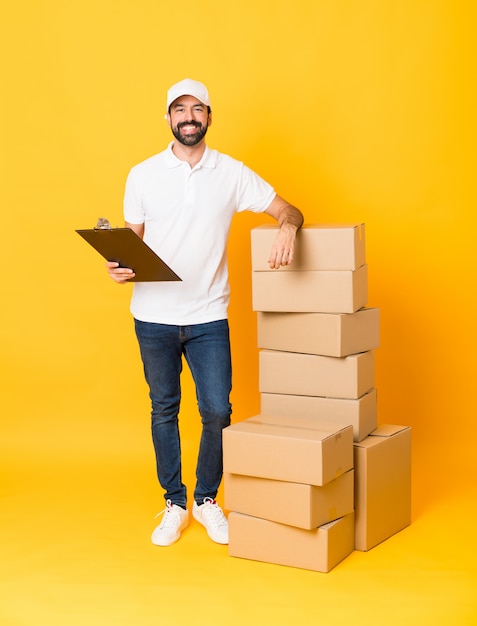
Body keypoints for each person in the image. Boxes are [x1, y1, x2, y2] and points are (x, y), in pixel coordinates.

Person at [107, 78, 304, 547]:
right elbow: (131, 243)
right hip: (152, 316)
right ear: (168, 119)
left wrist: (288, 229)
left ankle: (206, 499)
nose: (189, 116)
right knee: (164, 409)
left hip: (209, 316)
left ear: (209, 117)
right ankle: (175, 503)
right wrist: (118, 265)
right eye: (180, 109)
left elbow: (289, 209)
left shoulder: (231, 173)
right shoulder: (142, 174)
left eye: (198, 109)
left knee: (217, 410)